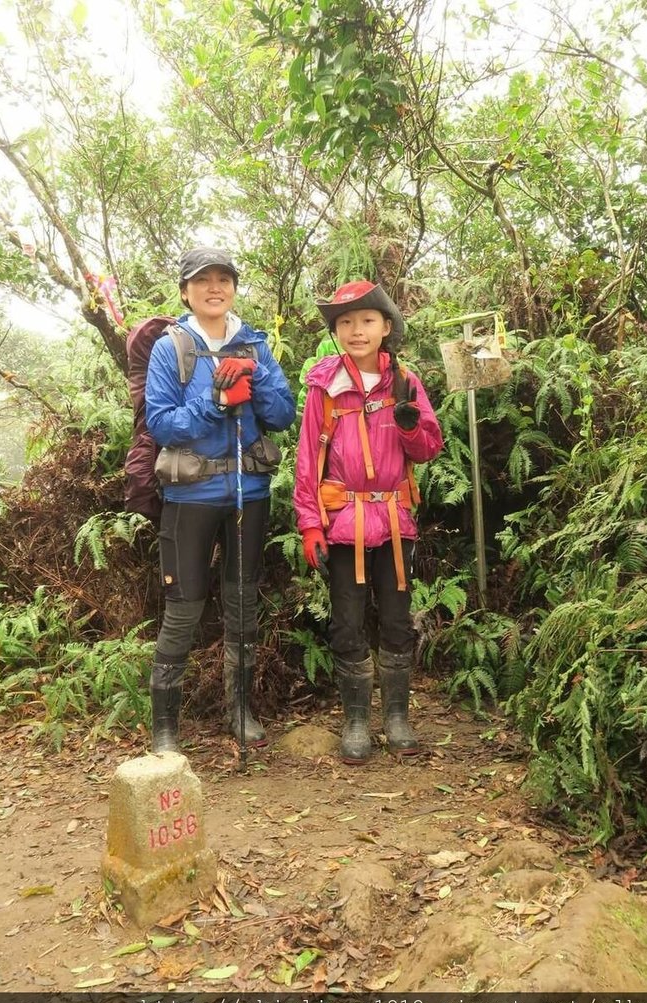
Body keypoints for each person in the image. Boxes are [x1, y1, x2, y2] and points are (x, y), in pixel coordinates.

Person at [145, 247, 295, 753]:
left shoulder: (254, 342)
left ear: (233, 287)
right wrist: (214, 401)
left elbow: (281, 415)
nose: (215, 288)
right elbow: (161, 423)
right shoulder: (171, 347)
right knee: (183, 608)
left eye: (224, 279)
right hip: (190, 495)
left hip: (247, 493)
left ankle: (241, 710)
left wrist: (251, 387)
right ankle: (165, 729)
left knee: (242, 601)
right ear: (185, 290)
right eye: (202, 280)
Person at [293, 281, 443, 764]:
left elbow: (428, 448)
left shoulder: (405, 382)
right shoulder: (325, 386)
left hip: (395, 521)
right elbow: (306, 460)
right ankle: (357, 719)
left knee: (398, 620)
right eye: (345, 322)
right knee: (346, 621)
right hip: (343, 524)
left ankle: (397, 716)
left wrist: (408, 424)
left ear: (386, 327)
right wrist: (310, 525)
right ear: (336, 331)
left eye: (366, 320)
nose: (356, 330)